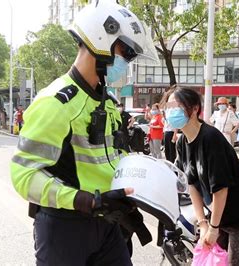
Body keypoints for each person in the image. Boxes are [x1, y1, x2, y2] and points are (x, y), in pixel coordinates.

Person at [10, 1, 159, 264]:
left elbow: (112, 158)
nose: (127, 61)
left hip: (108, 222)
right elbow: (24, 176)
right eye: (126, 52)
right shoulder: (55, 103)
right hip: (64, 227)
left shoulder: (107, 102)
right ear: (102, 41)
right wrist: (84, 200)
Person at [161, 86, 239, 265]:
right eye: (168, 107)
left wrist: (214, 228)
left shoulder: (210, 138)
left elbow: (220, 188)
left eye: (176, 106)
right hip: (220, 217)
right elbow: (192, 184)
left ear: (194, 108)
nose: (171, 112)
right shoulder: (182, 142)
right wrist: (203, 223)